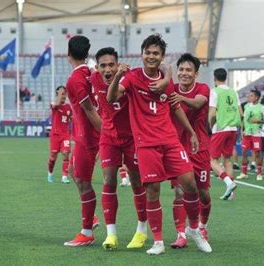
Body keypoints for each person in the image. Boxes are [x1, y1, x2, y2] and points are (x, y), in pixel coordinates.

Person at [108, 34, 211, 255]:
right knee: (152, 191)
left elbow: (175, 106)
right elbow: (112, 98)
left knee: (190, 183)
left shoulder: (167, 80)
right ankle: (158, 241)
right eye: (148, 52)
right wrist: (117, 76)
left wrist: (192, 133)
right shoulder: (133, 77)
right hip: (146, 144)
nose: (151, 56)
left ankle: (193, 229)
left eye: (156, 53)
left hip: (170, 141)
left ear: (161, 56)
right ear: (142, 54)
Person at [90, 47, 148, 250]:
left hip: (132, 137)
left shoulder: (129, 78)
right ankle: (111, 234)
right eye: (103, 66)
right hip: (108, 137)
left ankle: (142, 230)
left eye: (111, 65)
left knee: (137, 181)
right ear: (97, 68)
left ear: (118, 65)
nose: (108, 69)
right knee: (109, 180)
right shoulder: (93, 79)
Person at [167, 53, 212, 248]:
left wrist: (180, 98)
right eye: (181, 70)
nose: (184, 73)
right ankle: (181, 234)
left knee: (202, 194)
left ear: (196, 74)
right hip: (178, 148)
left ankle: (202, 226)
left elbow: (197, 103)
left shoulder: (202, 88)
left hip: (199, 147)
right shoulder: (171, 89)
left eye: (188, 70)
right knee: (179, 192)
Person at [63, 36, 102, 247]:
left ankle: (87, 231)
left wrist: (107, 136)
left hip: (88, 137)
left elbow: (90, 111)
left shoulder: (75, 80)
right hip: (82, 135)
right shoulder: (90, 72)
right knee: (72, 172)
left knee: (83, 182)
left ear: (68, 53)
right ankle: (92, 218)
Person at [208, 68, 241, 200]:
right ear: (226, 77)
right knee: (227, 159)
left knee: (211, 160)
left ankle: (228, 182)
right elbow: (241, 112)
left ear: (214, 78)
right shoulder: (233, 92)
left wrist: (208, 126)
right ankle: (231, 193)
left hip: (220, 128)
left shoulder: (215, 91)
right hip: (233, 128)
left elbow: (212, 113)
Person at [236, 89, 264, 181]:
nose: (249, 97)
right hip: (247, 133)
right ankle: (244, 173)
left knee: (257, 153)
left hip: (256, 133)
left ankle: (259, 173)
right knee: (244, 152)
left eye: (251, 96)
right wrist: (242, 130)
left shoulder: (262, 107)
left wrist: (258, 121)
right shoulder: (246, 106)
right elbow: (244, 119)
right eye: (249, 95)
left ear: (256, 97)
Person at [46, 86, 72, 184]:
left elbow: (73, 118)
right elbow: (56, 104)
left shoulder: (69, 107)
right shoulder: (54, 104)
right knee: (53, 157)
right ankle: (50, 173)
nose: (63, 96)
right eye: (61, 94)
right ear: (57, 95)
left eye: (64, 94)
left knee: (66, 154)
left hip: (65, 135)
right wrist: (60, 93)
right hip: (55, 135)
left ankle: (64, 177)